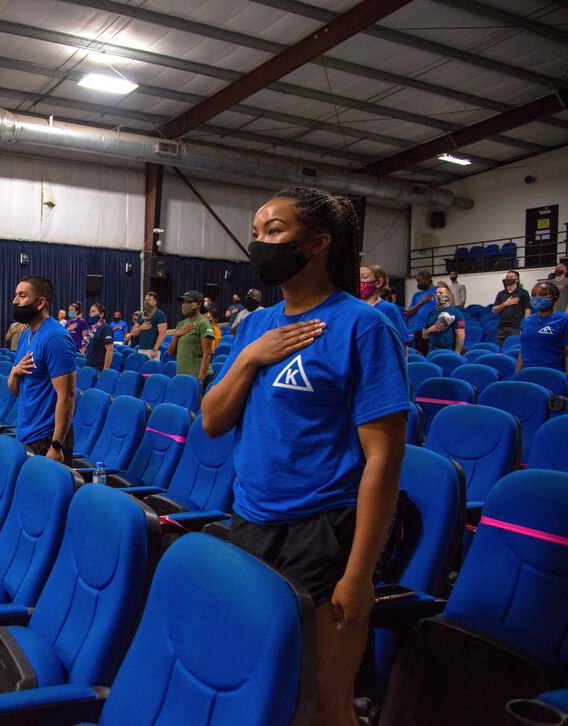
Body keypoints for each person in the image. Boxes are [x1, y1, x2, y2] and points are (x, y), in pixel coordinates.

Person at [201, 187, 407, 726]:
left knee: (322, 704)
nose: (260, 242)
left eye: (275, 231)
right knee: (260, 683)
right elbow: (213, 420)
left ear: (318, 243)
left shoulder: (364, 325)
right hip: (251, 522)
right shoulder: (254, 326)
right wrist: (248, 358)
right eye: (256, 232)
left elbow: (384, 459)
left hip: (325, 530)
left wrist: (359, 573)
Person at [8, 275, 77, 461]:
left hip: (48, 438)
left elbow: (68, 396)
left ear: (40, 303)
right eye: (16, 295)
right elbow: (15, 390)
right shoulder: (25, 336)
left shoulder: (55, 338)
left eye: (22, 296)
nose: (15, 301)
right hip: (25, 433)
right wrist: (15, 372)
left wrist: (56, 445)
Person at [516, 281, 567, 373]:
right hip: (528, 373)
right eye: (534, 295)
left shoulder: (564, 320)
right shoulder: (526, 321)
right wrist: (517, 374)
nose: (537, 297)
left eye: (543, 294)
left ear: (554, 298)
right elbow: (523, 350)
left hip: (553, 373)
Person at [168, 291, 215, 388]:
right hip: (182, 376)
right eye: (183, 302)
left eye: (188, 302)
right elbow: (171, 353)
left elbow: (207, 354)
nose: (184, 305)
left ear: (198, 304)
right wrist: (176, 335)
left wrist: (200, 380)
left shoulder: (203, 323)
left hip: (198, 377)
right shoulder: (181, 324)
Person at [360, 264, 407, 344]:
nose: (359, 281)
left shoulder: (388, 309)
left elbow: (401, 343)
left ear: (378, 282)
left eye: (364, 277)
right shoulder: (356, 308)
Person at [491, 270, 532, 347]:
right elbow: (494, 310)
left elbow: (528, 310)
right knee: (500, 350)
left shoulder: (523, 293)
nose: (508, 278)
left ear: (516, 280)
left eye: (510, 277)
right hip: (502, 327)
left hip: (516, 327)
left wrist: (525, 325)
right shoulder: (501, 294)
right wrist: (505, 304)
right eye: (507, 277)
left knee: (514, 348)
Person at [422, 286, 465, 353]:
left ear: (448, 295)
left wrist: (457, 352)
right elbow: (424, 335)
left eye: (441, 293)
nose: (438, 295)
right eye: (437, 293)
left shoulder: (455, 312)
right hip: (432, 350)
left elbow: (461, 334)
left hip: (448, 350)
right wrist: (430, 330)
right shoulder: (431, 313)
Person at [405, 271, 437, 354]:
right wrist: (421, 303)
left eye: (420, 281)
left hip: (433, 328)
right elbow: (409, 313)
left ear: (427, 280)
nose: (418, 284)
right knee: (419, 354)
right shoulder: (417, 295)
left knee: (431, 354)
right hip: (418, 328)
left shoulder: (438, 291)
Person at [129, 291, 168, 360]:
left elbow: (162, 333)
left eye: (149, 300)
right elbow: (134, 333)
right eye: (145, 299)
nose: (146, 302)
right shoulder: (141, 315)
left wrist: (155, 349)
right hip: (141, 349)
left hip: (152, 351)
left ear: (155, 302)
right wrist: (141, 328)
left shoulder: (160, 315)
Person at [82, 303, 114, 371]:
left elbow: (110, 351)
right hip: (90, 367)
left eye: (93, 311)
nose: (90, 314)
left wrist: (105, 371)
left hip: (99, 369)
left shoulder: (105, 328)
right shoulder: (92, 329)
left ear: (101, 314)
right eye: (90, 312)